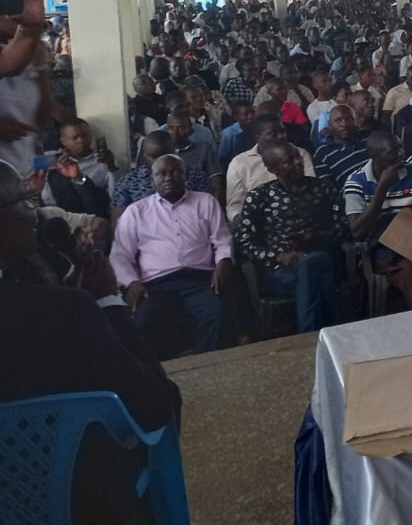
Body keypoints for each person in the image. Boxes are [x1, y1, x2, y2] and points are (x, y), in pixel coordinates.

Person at [0, 162, 182, 525]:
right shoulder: (62, 311)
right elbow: (154, 405)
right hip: (73, 499)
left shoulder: (56, 308)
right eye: (24, 200)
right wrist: (105, 303)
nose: (34, 213)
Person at [110, 154, 234, 354]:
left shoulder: (206, 202)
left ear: (185, 176)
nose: (169, 178)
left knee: (215, 315)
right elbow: (120, 255)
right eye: (162, 173)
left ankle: (207, 366)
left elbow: (221, 239)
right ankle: (159, 376)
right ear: (153, 179)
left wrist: (223, 261)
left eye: (175, 172)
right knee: (141, 324)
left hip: (199, 280)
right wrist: (132, 282)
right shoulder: (136, 212)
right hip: (156, 284)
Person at [236, 140, 350, 332]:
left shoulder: (323, 188)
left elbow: (343, 228)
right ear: (272, 169)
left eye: (297, 156)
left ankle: (308, 335)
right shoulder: (259, 197)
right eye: (288, 161)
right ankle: (333, 332)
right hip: (282, 272)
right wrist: (278, 256)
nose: (298, 162)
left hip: (325, 261)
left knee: (312, 262)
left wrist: (317, 237)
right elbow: (244, 242)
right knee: (314, 275)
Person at [226, 116, 317, 223]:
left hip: (301, 216)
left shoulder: (300, 154)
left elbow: (312, 188)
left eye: (283, 132)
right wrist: (243, 221)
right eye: (273, 134)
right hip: (258, 221)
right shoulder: (240, 163)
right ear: (257, 136)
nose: (281, 137)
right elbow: (234, 205)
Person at [343, 131, 412, 240]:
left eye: (401, 147)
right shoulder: (356, 181)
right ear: (374, 157)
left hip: (410, 239)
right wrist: (382, 188)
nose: (401, 153)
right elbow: (358, 232)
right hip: (376, 244)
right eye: (392, 151)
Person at [312, 104, 371, 188]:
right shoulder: (323, 154)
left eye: (348, 119)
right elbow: (329, 189)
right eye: (338, 120)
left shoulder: (368, 137)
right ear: (330, 125)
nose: (344, 124)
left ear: (354, 121)